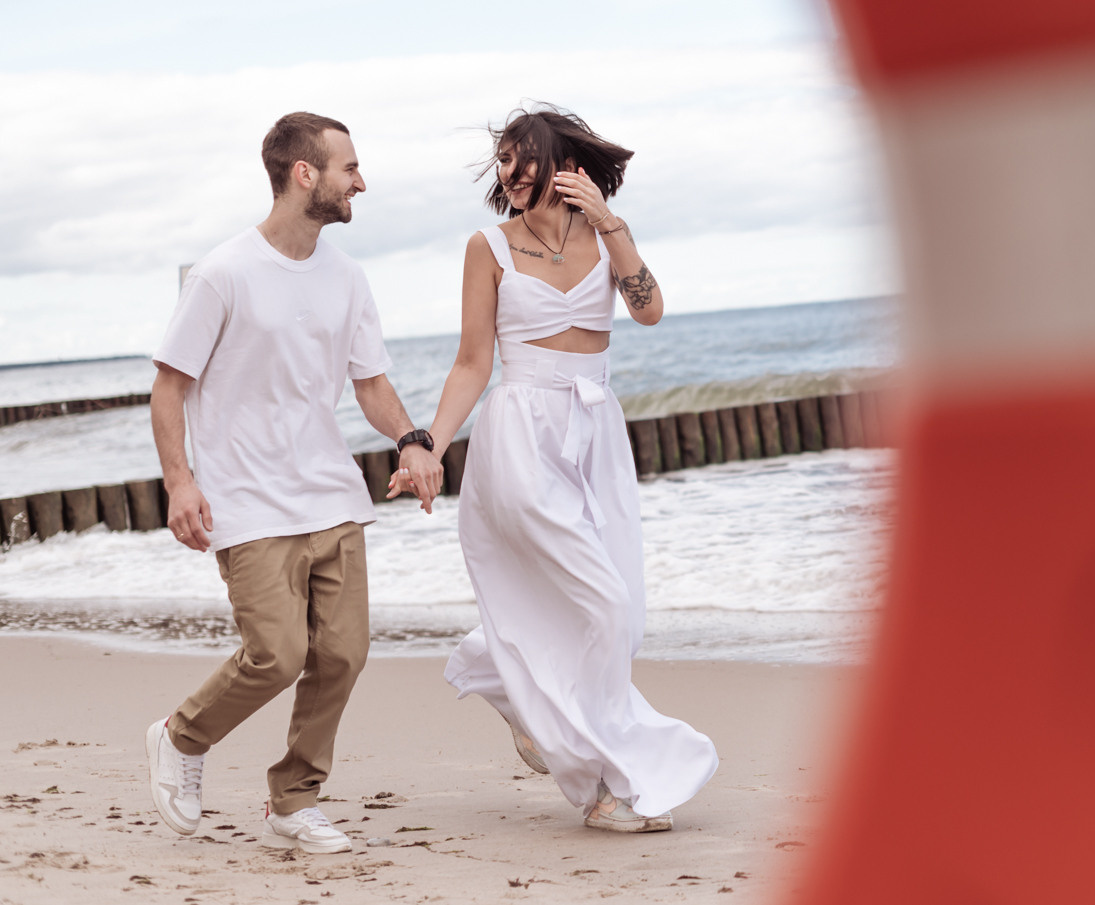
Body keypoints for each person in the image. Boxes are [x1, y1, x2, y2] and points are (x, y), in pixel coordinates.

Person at [144, 112, 445, 854]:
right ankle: (182, 736)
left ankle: (293, 802)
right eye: (350, 167)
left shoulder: (348, 277)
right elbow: (169, 387)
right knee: (276, 655)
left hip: (331, 493)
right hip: (248, 501)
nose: (361, 182)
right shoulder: (222, 273)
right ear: (305, 173)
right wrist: (181, 484)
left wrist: (410, 441)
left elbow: (370, 383)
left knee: (342, 655)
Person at [423, 105, 718, 833]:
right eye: (502, 161)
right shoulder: (489, 248)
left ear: (564, 163)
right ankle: (600, 789)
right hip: (520, 436)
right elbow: (471, 363)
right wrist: (428, 444)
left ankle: (510, 680)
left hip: (595, 436)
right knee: (602, 605)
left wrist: (610, 223)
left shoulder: (605, 235)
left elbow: (649, 310)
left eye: (522, 157)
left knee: (622, 614)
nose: (510, 173)